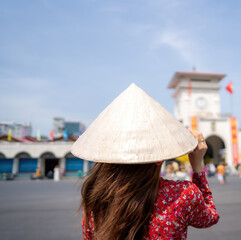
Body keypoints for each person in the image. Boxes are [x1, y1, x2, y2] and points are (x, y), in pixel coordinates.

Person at [73, 84, 219, 240]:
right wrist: (197, 167)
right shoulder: (182, 195)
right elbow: (210, 217)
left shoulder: (96, 197)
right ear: (159, 158)